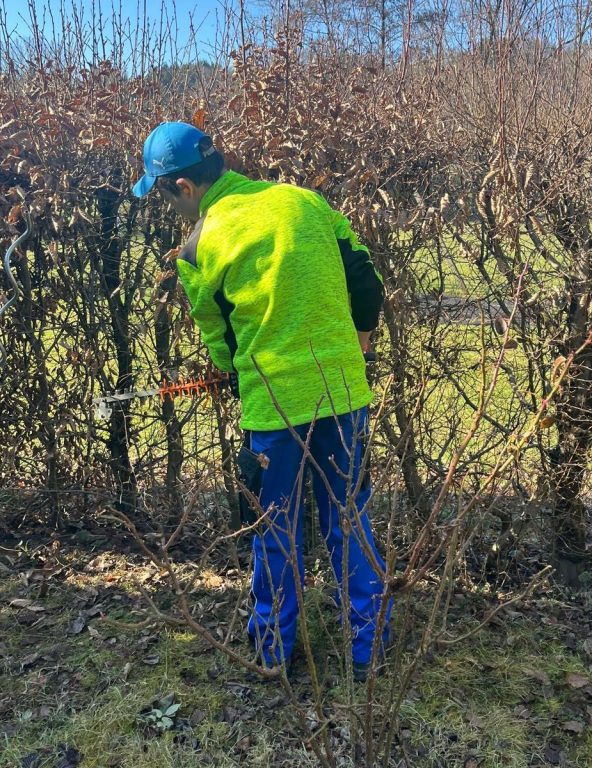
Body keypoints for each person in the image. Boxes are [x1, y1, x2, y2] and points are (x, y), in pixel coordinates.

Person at [132, 121, 392, 680]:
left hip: (274, 408)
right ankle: (370, 653)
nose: (166, 205)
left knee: (276, 527)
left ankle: (273, 653)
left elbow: (221, 343)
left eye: (161, 193)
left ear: (181, 186)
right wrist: (358, 352)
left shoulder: (197, 246)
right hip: (344, 392)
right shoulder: (305, 201)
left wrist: (231, 372)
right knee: (349, 520)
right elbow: (366, 282)